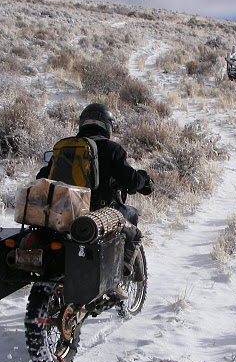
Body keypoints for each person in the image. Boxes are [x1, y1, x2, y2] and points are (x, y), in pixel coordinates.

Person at [37, 103, 154, 279]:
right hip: (99, 213)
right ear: (108, 125)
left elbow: (42, 178)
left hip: (62, 211)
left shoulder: (65, 147)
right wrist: (145, 181)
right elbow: (131, 180)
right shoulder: (112, 149)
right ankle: (122, 270)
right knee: (132, 218)